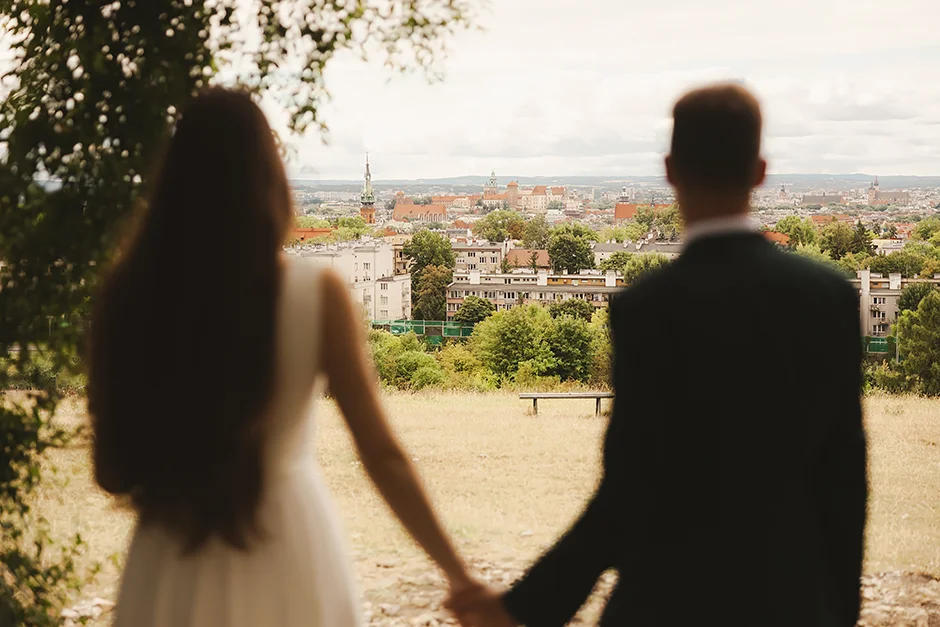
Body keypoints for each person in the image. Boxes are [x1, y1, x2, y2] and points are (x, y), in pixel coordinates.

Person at [449, 83, 868, 627]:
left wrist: (523, 610)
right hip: (791, 601)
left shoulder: (647, 307)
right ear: (760, 171)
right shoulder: (829, 297)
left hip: (666, 599)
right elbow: (844, 478)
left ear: (670, 170)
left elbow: (629, 490)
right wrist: (839, 610)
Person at [87, 88, 483, 627]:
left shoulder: (128, 293)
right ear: (269, 179)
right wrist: (459, 575)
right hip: (289, 541)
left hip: (169, 554)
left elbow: (110, 470)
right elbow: (381, 456)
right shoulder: (315, 293)